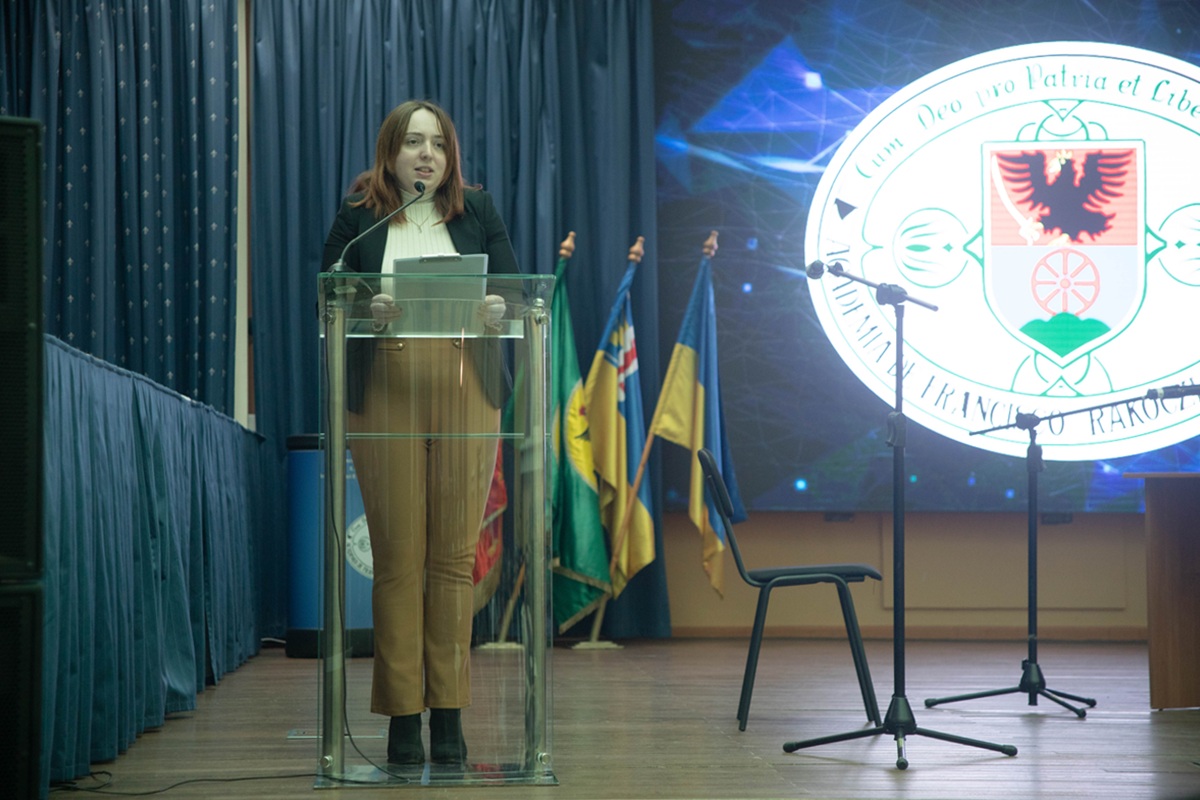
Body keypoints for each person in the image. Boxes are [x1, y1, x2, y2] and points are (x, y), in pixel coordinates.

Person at [320, 99, 520, 766]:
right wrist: (363, 303)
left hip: (466, 385)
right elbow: (328, 291)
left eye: (436, 143)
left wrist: (496, 306)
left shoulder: (477, 211)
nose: (426, 154)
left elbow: (515, 291)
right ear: (391, 153)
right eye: (412, 143)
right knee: (398, 558)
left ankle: (450, 715)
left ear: (449, 155)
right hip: (386, 387)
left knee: (453, 561)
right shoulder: (360, 216)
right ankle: (404, 717)